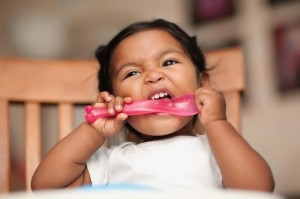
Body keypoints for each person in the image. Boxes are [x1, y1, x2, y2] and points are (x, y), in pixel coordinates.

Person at [31, 19, 274, 192]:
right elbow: (46, 187)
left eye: (168, 62)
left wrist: (218, 123)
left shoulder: (217, 152)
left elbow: (257, 190)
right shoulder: (112, 160)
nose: (153, 75)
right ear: (116, 100)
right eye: (132, 72)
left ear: (203, 85)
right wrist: (93, 131)